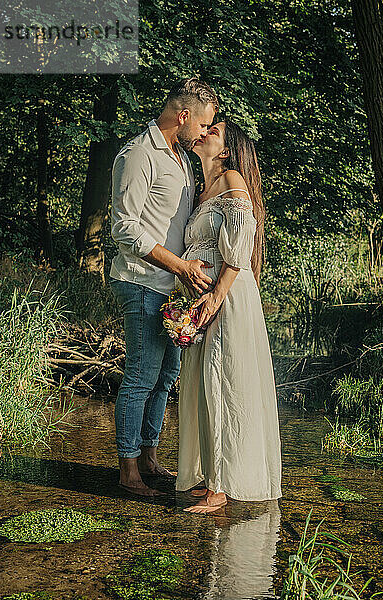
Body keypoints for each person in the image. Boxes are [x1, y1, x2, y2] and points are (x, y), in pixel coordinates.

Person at [109, 77, 219, 497]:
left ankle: (149, 457)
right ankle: (128, 471)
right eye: (205, 125)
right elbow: (124, 227)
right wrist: (179, 265)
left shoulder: (182, 158)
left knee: (167, 374)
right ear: (184, 115)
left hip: (172, 288)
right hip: (141, 283)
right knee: (141, 374)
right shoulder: (139, 154)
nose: (207, 133)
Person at [175, 118, 283, 513]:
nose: (204, 132)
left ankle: (222, 488)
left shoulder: (232, 178)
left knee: (223, 382)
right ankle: (208, 477)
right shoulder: (201, 189)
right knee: (203, 384)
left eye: (214, 131)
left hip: (228, 298)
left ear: (225, 149)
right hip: (204, 299)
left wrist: (216, 296)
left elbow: (239, 246)